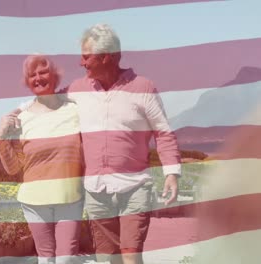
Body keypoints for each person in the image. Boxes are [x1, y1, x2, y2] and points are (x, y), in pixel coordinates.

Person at [16, 24, 181, 264]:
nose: (81, 63)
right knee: (106, 259)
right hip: (96, 192)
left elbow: (163, 133)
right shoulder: (77, 89)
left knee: (130, 255)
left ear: (106, 57)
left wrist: (172, 173)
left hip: (135, 187)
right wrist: (15, 114)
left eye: (86, 57)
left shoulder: (143, 87)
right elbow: (46, 100)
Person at [0, 55, 84, 264]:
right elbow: (13, 167)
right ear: (27, 82)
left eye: (43, 72)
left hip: (69, 199)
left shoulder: (74, 110)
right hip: (34, 201)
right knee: (45, 259)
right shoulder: (21, 120)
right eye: (32, 75)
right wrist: (1, 137)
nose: (38, 78)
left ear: (54, 76)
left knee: (66, 260)